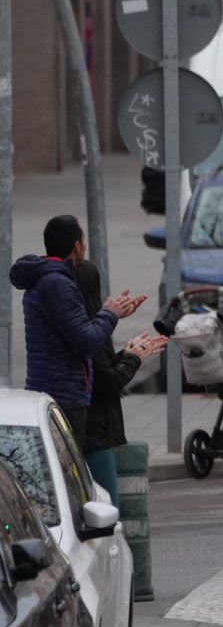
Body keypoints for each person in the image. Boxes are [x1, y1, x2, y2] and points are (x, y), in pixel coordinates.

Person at [9, 214, 145, 446]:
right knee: (67, 475)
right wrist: (110, 314)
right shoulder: (58, 284)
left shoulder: (47, 279)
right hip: (64, 398)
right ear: (77, 246)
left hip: (54, 392)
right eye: (83, 241)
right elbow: (86, 341)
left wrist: (111, 313)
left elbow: (73, 330)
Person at [72, 261, 167, 500]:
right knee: (107, 512)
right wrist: (134, 359)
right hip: (95, 433)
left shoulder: (74, 325)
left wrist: (127, 354)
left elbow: (97, 369)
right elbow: (107, 381)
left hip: (85, 428)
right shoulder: (91, 329)